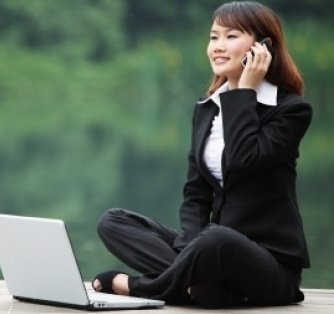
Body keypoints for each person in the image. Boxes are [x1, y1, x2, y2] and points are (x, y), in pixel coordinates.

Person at [92, 1, 312, 308]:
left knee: (216, 238)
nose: (218, 47)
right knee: (112, 222)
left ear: (263, 47)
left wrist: (242, 93)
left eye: (231, 36)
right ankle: (199, 283)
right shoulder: (208, 108)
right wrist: (190, 247)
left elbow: (242, 159)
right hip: (211, 248)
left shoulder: (291, 111)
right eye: (213, 37)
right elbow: (196, 194)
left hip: (268, 264)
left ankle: (143, 287)